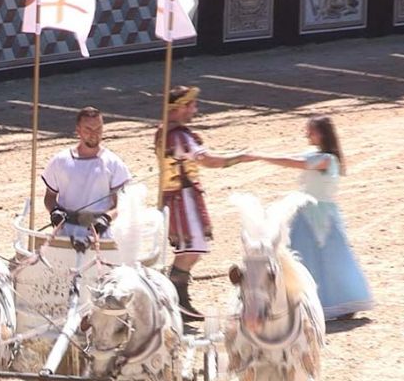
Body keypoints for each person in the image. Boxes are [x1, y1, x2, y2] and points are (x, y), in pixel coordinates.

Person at [244, 115, 374, 320]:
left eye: (311, 130)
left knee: (324, 259)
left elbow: (296, 162)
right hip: (310, 212)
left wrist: (260, 156)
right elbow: (295, 158)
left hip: (320, 214)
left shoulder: (326, 159)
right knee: (311, 258)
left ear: (321, 133)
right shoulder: (317, 155)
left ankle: (333, 303)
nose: (307, 134)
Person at [155, 86, 251, 322]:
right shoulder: (177, 135)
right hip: (182, 197)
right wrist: (241, 156)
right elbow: (208, 161)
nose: (194, 110)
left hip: (182, 195)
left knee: (192, 248)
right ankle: (174, 298)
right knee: (191, 248)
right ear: (179, 108)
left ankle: (178, 298)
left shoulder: (170, 133)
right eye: (191, 105)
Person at [42, 106, 131, 244]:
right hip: (65, 233)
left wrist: (106, 218)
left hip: (99, 236)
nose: (94, 134)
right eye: (88, 129)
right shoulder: (60, 161)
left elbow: (117, 205)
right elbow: (50, 197)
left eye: (98, 129)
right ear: (78, 130)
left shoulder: (113, 163)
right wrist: (54, 211)